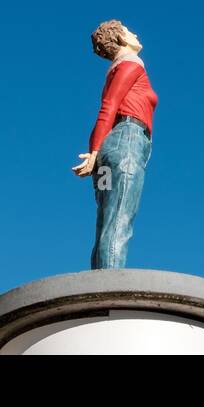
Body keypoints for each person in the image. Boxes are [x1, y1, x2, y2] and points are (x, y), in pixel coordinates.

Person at [71, 20, 158, 269]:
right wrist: (94, 151)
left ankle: (98, 286)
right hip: (126, 139)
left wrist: (95, 152)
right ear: (120, 38)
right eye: (130, 31)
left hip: (112, 144)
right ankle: (109, 292)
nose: (135, 33)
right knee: (120, 219)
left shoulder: (116, 70)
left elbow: (108, 108)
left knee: (107, 223)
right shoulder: (131, 63)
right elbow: (109, 106)